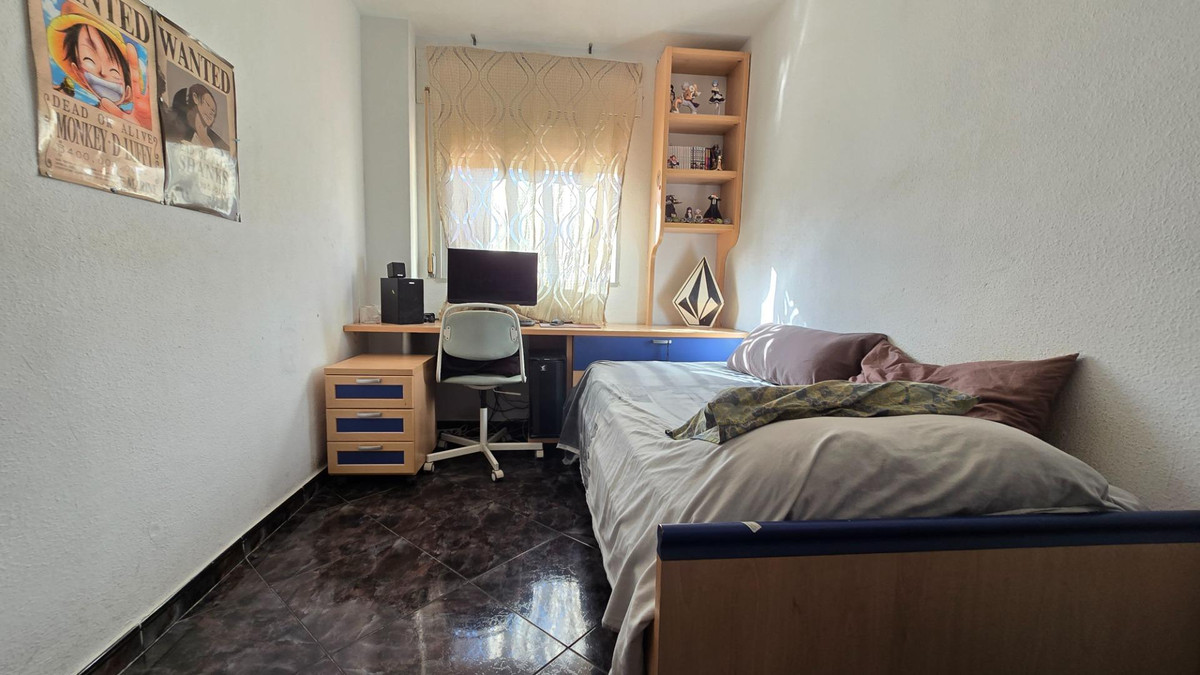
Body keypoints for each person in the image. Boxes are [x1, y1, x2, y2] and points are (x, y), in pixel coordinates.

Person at [48, 1, 152, 129]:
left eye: (114, 71)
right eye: (89, 60)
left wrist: (141, 131)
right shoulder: (79, 118)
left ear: (127, 91)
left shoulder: (130, 121)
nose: (102, 72)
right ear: (78, 72)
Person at [164, 84, 229, 151]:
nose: (211, 112)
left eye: (213, 111)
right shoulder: (182, 133)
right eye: (208, 104)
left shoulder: (220, 143)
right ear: (195, 98)